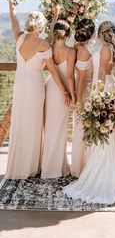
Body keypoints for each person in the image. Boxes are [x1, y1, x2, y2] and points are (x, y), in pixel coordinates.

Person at [63, 21, 115, 204]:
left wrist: (98, 96)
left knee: (105, 130)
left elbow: (102, 74)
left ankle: (103, 174)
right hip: (108, 86)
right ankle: (106, 170)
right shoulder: (113, 49)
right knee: (106, 131)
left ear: (100, 34)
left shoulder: (105, 49)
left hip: (103, 87)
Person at [5, 2, 70, 179]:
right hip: (35, 89)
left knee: (20, 123)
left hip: (19, 87)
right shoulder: (44, 45)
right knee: (34, 126)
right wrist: (64, 90)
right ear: (41, 26)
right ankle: (31, 167)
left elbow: (13, 18)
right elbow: (54, 73)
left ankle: (18, 167)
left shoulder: (19, 37)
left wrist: (11, 3)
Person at [41, 19, 76, 178]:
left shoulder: (48, 47)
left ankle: (50, 166)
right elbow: (69, 77)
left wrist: (54, 16)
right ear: (68, 35)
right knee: (60, 128)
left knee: (49, 128)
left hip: (50, 88)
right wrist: (72, 95)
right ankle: (56, 168)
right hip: (63, 92)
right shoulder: (70, 52)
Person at [71, 18, 95, 177]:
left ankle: (79, 165)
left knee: (81, 128)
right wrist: (79, 103)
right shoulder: (85, 52)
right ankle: (82, 167)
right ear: (91, 35)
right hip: (83, 93)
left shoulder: (75, 47)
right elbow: (80, 79)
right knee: (83, 128)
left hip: (82, 92)